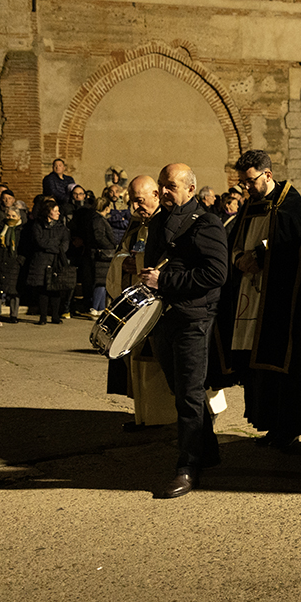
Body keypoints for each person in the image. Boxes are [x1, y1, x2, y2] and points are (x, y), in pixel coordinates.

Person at [221, 150, 301, 450]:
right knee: (257, 368)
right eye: (243, 182)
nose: (246, 187)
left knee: (283, 367)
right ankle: (269, 424)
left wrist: (260, 257)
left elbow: (295, 248)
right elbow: (235, 241)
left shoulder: (291, 205)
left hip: (282, 301)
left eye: (251, 181)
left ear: (267, 175)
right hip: (250, 297)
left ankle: (289, 427)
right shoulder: (250, 206)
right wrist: (239, 258)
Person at [138, 164, 229, 498]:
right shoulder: (159, 221)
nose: (163, 192)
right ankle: (210, 451)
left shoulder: (207, 223)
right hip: (163, 318)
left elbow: (217, 274)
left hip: (194, 319)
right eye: (161, 185)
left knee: (190, 394)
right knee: (180, 389)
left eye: (171, 186)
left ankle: (188, 468)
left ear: (191, 189)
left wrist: (165, 281)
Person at [105, 175, 177, 432]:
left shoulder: (168, 221)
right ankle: (144, 417)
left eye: (140, 201)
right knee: (138, 360)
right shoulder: (137, 224)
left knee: (159, 360)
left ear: (156, 195)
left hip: (160, 305)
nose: (136, 207)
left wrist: (134, 263)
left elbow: (164, 260)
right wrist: (122, 262)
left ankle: (165, 418)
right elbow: (122, 252)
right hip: (137, 303)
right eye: (133, 201)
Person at [26, 201, 71, 325]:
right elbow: (39, 241)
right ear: (48, 211)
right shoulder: (37, 225)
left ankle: (55, 316)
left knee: (56, 288)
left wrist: (56, 248)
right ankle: (43, 317)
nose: (58, 213)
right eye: (55, 210)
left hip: (56, 260)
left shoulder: (62, 227)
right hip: (41, 261)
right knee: (43, 289)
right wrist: (55, 246)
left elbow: (64, 244)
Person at [0, 205, 25, 326]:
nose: (10, 218)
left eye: (13, 216)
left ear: (19, 217)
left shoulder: (22, 230)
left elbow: (25, 246)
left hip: (14, 262)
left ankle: (14, 315)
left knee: (13, 290)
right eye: (8, 215)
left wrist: (19, 260)